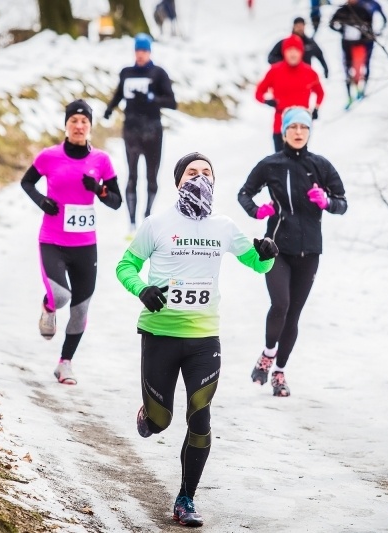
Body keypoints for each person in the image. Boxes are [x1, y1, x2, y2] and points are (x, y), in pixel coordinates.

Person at [116, 153, 278, 526]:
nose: (200, 176)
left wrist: (267, 254)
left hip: (205, 338)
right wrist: (142, 290)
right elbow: (125, 266)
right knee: (161, 421)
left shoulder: (223, 226)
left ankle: (186, 498)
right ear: (178, 181)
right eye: (192, 172)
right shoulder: (157, 224)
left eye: (207, 172)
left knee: (200, 417)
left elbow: (256, 262)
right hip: (160, 333)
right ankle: (149, 417)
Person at [237, 107, 347, 397]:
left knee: (294, 314)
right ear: (284, 131)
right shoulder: (271, 164)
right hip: (276, 248)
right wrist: (258, 210)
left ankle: (279, 373)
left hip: (310, 250)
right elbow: (244, 193)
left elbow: (342, 202)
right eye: (293, 127)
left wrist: (326, 202)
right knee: (281, 304)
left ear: (309, 131)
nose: (298, 132)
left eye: (304, 127)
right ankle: (267, 354)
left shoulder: (321, 166)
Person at [21, 100, 122, 385]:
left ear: (90, 127)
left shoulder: (101, 161)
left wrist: (100, 191)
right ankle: (49, 306)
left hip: (85, 245)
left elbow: (116, 202)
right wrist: (42, 201)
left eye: (84, 122)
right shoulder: (49, 156)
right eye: (74, 121)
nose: (79, 126)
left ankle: (65, 363)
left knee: (80, 309)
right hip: (52, 240)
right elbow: (27, 183)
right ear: (66, 125)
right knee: (61, 296)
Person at [104, 33, 176, 234]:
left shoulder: (158, 73)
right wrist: (110, 108)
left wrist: (152, 98)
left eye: (144, 50)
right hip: (131, 131)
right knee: (132, 176)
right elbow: (119, 93)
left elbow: (172, 102)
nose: (140, 54)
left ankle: (147, 215)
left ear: (150, 51)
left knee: (151, 177)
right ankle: (132, 223)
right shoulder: (126, 73)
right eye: (137, 50)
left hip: (153, 132)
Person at [255, 35, 324, 152]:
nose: (293, 54)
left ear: (301, 52)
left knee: (300, 163)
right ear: (284, 52)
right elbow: (258, 92)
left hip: (302, 124)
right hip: (280, 123)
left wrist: (316, 108)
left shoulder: (310, 72)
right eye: (289, 50)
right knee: (280, 161)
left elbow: (320, 93)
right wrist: (267, 101)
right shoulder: (274, 71)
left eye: (296, 50)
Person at [329, 0, 375, 106]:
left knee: (360, 68)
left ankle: (361, 90)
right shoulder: (342, 10)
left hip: (360, 44)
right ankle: (349, 95)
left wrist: (364, 34)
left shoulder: (363, 10)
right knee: (347, 69)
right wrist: (341, 30)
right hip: (346, 45)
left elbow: (370, 26)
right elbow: (331, 24)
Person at [359, 0, 387, 86]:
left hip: (369, 37)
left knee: (367, 62)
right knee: (356, 63)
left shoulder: (375, 4)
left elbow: (385, 20)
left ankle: (364, 87)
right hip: (357, 39)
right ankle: (356, 85)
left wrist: (378, 31)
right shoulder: (358, 2)